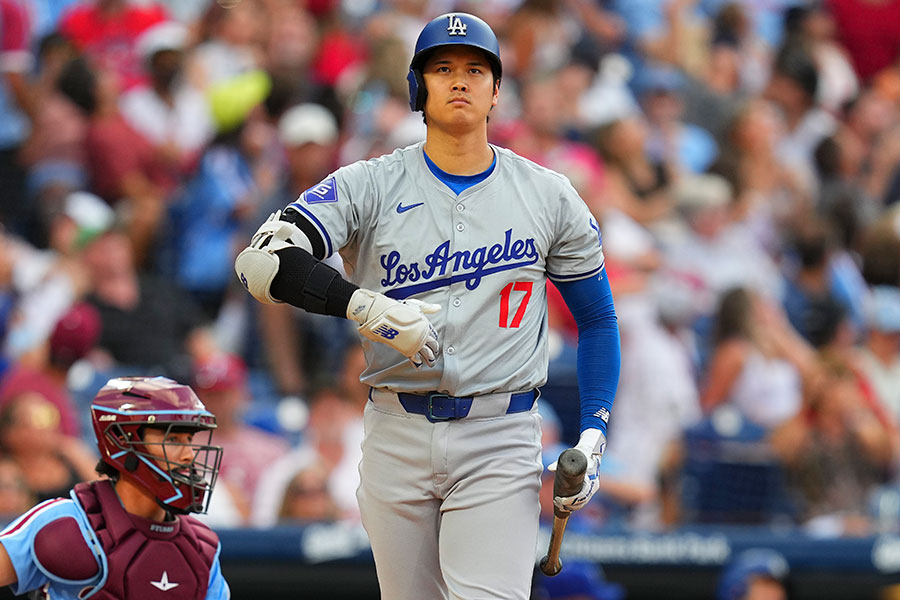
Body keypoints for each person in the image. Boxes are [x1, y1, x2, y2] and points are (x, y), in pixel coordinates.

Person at [235, 12, 621, 599]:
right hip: (397, 425)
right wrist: (362, 306)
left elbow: (597, 319)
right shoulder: (369, 182)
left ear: (496, 89)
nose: (459, 81)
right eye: (442, 69)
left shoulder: (549, 193)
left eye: (475, 69)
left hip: (500, 429)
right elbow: (262, 263)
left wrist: (593, 432)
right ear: (418, 87)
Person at [0, 375, 230, 599]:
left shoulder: (201, 549)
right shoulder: (66, 523)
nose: (188, 456)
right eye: (172, 440)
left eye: (189, 440)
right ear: (122, 441)